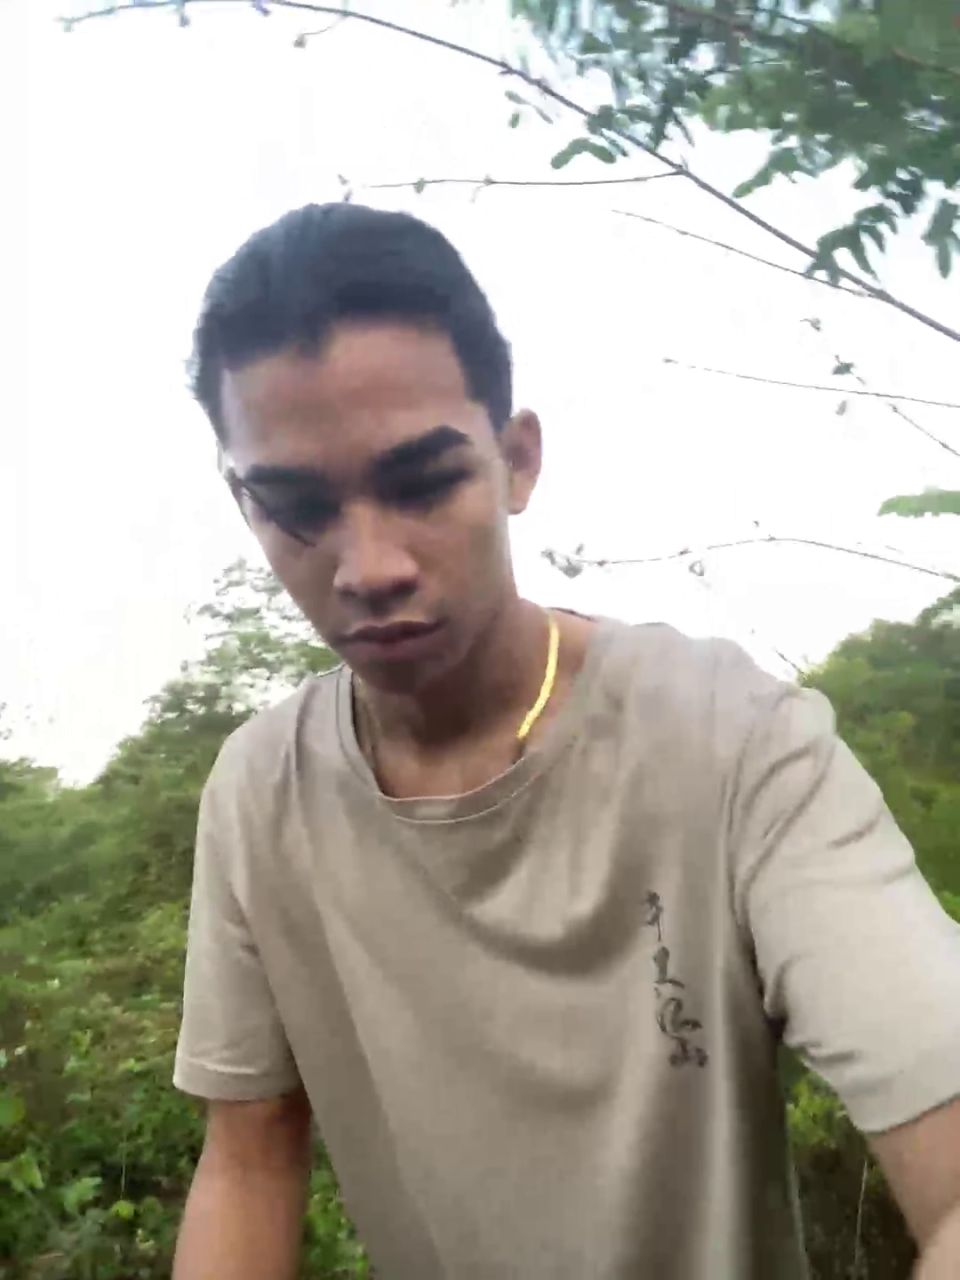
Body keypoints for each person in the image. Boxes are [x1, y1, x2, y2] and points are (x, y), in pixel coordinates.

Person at [171, 203, 960, 1280]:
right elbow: (248, 1161)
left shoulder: (732, 741)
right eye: (297, 506)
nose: (370, 567)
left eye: (422, 483)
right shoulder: (262, 792)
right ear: (243, 502)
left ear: (517, 460)